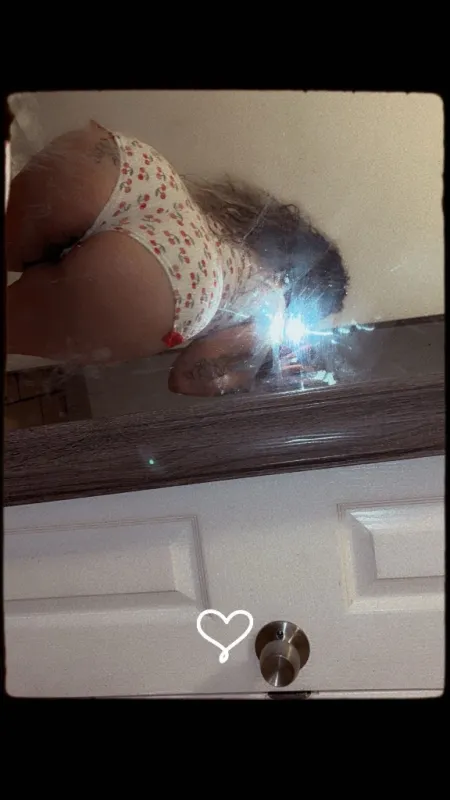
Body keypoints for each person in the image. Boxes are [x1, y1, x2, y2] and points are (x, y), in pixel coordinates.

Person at [6, 120, 349, 396]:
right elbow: (186, 378)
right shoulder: (272, 309)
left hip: (138, 173)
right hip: (178, 280)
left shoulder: (238, 223)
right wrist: (252, 376)